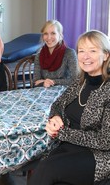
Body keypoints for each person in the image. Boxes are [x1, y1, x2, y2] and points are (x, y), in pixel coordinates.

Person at [29, 30, 110, 185]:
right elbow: (58, 104)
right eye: (81, 51)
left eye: (92, 51)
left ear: (106, 55)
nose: (85, 56)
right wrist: (56, 117)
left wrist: (62, 132)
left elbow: (105, 140)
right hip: (71, 146)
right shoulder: (81, 81)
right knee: (42, 166)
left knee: (47, 168)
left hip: (99, 155)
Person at [34, 20, 78, 87]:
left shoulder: (70, 53)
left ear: (60, 35)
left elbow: (75, 80)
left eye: (53, 33)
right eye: (45, 34)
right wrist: (44, 83)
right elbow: (36, 82)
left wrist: (53, 82)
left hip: (66, 93)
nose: (49, 37)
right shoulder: (39, 56)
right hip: (44, 93)